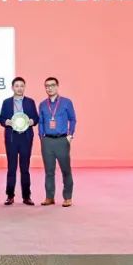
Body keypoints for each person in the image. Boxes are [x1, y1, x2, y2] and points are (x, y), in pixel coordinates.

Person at [0, 77, 40, 206]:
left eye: (22, 86)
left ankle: (27, 196)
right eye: (17, 86)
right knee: (11, 168)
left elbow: (36, 118)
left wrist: (32, 121)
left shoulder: (30, 102)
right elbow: (1, 119)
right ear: (12, 88)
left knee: (25, 168)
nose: (19, 88)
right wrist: (6, 122)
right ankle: (10, 196)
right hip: (12, 137)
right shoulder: (6, 102)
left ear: (24, 87)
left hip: (25, 137)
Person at [38, 77, 76, 207]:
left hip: (62, 140)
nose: (50, 88)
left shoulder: (66, 102)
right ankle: (49, 197)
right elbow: (41, 122)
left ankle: (67, 197)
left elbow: (72, 119)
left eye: (52, 85)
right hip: (47, 141)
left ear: (57, 86)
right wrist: (41, 137)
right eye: (47, 86)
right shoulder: (43, 104)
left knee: (66, 170)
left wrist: (70, 134)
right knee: (49, 171)